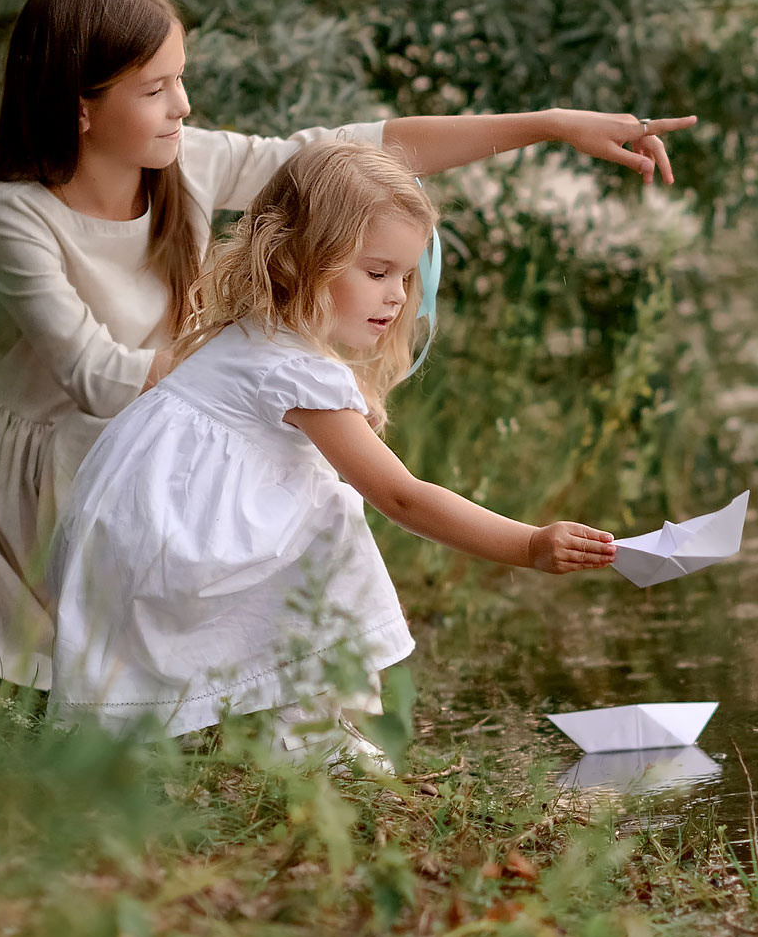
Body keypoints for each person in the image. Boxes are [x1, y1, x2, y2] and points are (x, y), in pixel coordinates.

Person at [0, 0, 688, 687]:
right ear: (80, 106)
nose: (183, 105)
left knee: (297, 492)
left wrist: (551, 125)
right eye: (157, 88)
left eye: (180, 79)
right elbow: (94, 378)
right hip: (59, 452)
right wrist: (254, 370)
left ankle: (256, 659)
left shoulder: (185, 165)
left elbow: (348, 152)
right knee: (71, 665)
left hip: (164, 429)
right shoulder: (16, 213)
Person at [45, 141, 616, 738]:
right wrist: (528, 546)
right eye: (376, 272)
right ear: (299, 260)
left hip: (128, 545)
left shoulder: (249, 336)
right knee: (331, 514)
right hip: (170, 553)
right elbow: (403, 498)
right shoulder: (299, 373)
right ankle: (306, 723)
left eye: (404, 274)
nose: (396, 295)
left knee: (309, 496)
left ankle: (262, 715)